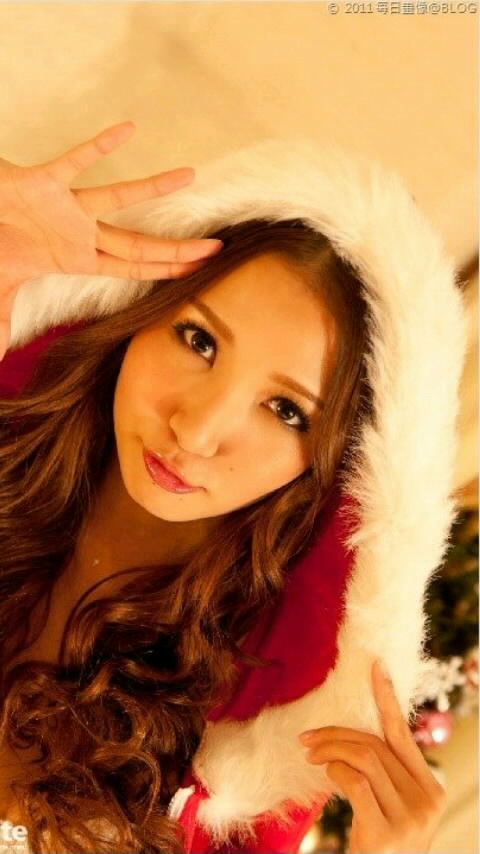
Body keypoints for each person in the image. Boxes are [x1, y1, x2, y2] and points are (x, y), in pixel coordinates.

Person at [0, 123, 467, 854]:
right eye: (199, 340)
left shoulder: (262, 731)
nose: (197, 430)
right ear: (140, 310)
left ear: (336, 468)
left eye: (286, 410)